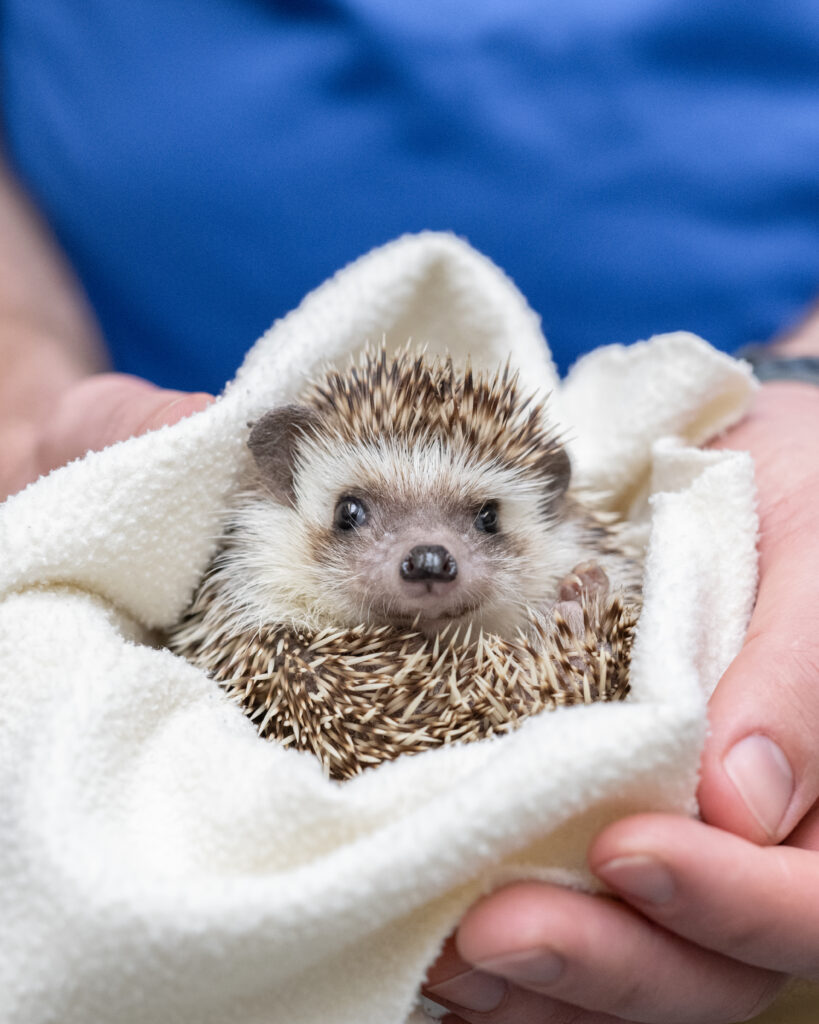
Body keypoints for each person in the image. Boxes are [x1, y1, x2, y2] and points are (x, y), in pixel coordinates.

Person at [2, 3, 819, 1021]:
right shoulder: (253, 590)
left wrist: (805, 382)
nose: (427, 555)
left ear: (549, 514)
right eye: (355, 515)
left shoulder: (572, 595)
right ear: (280, 485)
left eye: (482, 521)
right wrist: (19, 394)